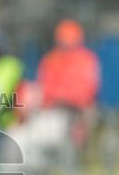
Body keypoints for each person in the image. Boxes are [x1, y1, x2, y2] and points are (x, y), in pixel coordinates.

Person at [36, 19, 101, 148]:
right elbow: (45, 87)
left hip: (80, 108)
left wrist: (72, 100)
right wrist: (58, 99)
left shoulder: (87, 59)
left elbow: (89, 88)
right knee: (45, 127)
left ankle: (83, 150)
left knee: (86, 118)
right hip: (55, 108)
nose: (67, 43)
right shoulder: (50, 60)